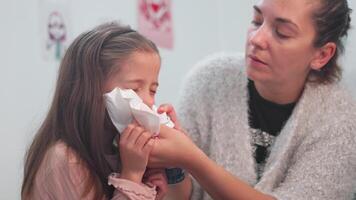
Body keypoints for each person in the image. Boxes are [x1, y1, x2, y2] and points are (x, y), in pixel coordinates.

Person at [149, 0, 356, 199]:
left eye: (282, 33)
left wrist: (191, 159)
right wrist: (172, 164)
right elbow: (183, 193)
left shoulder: (342, 120)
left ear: (322, 54)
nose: (256, 39)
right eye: (257, 21)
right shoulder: (209, 80)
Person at [21, 22, 191, 199]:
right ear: (91, 89)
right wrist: (132, 176)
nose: (149, 102)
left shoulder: (119, 150)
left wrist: (169, 166)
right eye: (134, 89)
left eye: (153, 90)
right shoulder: (65, 160)